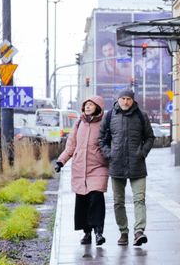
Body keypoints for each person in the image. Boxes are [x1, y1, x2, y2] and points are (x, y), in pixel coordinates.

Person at [97, 88, 155, 247]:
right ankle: (123, 232)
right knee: (118, 202)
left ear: (133, 100)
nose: (125, 101)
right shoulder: (109, 116)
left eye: (128, 99)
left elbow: (150, 137)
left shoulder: (141, 116)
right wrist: (110, 154)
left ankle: (139, 232)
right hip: (116, 166)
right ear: (118, 99)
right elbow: (101, 139)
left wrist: (142, 153)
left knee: (139, 199)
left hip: (137, 165)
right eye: (122, 98)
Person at [54, 96, 110, 246]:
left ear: (98, 107)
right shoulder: (79, 123)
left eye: (91, 104)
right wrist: (61, 161)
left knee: (96, 198)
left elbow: (110, 143)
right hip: (80, 167)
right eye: (86, 105)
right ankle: (87, 233)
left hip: (98, 166)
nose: (87, 107)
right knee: (83, 201)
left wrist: (108, 157)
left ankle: (99, 232)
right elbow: (71, 146)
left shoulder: (105, 123)